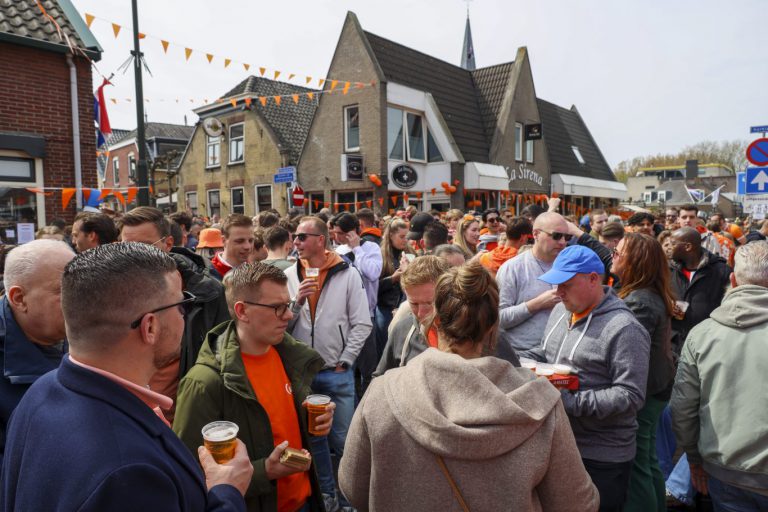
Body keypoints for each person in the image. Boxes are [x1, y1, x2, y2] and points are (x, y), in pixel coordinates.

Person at [1, 243, 252, 511]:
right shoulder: (129, 471)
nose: (184, 315)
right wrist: (227, 492)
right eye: (182, 304)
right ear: (150, 327)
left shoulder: (40, 391)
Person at [339, 262, 599, 511]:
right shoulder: (541, 402)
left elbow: (353, 488)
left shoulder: (383, 392)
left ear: (435, 319)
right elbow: (576, 502)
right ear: (492, 326)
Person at [174, 263, 335, 512]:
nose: (289, 315)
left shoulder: (289, 356)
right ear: (242, 311)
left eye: (289, 304)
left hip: (305, 501)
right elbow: (190, 476)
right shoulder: (204, 383)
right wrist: (264, 471)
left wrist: (316, 420)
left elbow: (278, 426)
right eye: (277, 308)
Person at [530, 245, 651, 512]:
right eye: (555, 284)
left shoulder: (625, 328)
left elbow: (630, 396)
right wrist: (523, 361)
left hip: (602, 455)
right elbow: (547, 353)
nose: (558, 292)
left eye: (566, 284)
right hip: (561, 444)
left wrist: (566, 401)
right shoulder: (562, 310)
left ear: (594, 279)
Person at [671, 241, 768, 510]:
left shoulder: (703, 334)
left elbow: (683, 408)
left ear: (734, 280)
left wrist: (693, 457)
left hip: (725, 469)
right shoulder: (702, 333)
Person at [285, 217, 371, 511]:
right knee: (315, 441)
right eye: (294, 237)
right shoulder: (288, 275)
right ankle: (328, 496)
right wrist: (296, 303)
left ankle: (351, 500)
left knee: (345, 441)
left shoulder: (347, 274)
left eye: (301, 237)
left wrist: (345, 361)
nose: (295, 242)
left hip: (336, 372)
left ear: (320, 240)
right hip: (303, 375)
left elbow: (362, 323)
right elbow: (280, 327)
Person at [119, 207, 230, 423]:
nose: (132, 256)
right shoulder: (110, 294)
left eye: (142, 247)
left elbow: (224, 358)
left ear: (168, 243)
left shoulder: (207, 293)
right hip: (129, 419)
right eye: (126, 247)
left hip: (186, 422)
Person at [612, 234, 676, 512]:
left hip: (646, 391)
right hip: (655, 387)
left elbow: (630, 352)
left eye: (618, 252)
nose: (612, 255)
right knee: (647, 458)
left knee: (638, 461)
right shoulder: (643, 294)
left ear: (635, 261)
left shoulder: (640, 300)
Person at [0, 240, 74, 464]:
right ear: (19, 299)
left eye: (81, 286)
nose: (81, 298)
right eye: (64, 290)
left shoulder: (91, 334)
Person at [496, 212, 569, 359]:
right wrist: (536, 304)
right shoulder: (513, 268)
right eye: (556, 236)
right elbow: (498, 319)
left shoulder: (569, 266)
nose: (562, 242)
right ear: (536, 234)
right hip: (521, 355)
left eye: (567, 237)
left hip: (558, 354)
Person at [329, 212, 382, 399]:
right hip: (344, 318)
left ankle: (368, 403)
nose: (336, 237)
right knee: (348, 366)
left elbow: (373, 273)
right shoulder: (338, 251)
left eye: (339, 233)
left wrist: (357, 248)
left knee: (369, 368)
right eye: (334, 232)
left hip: (367, 315)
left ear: (351, 232)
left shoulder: (371, 247)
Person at [375, 256, 451, 375]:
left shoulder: (467, 331)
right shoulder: (403, 329)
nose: (420, 313)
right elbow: (380, 378)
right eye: (414, 304)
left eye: (429, 303)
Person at [667, 227, 731, 354]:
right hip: (675, 346)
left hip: (710, 346)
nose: (669, 247)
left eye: (673, 244)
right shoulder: (668, 270)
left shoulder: (722, 272)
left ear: (688, 247)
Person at [375, 218, 413, 358]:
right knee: (386, 348)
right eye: (401, 237)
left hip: (405, 307)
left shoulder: (410, 252)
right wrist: (393, 278)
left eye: (406, 237)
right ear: (391, 235)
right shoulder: (380, 255)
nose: (405, 240)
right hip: (385, 309)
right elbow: (372, 288)